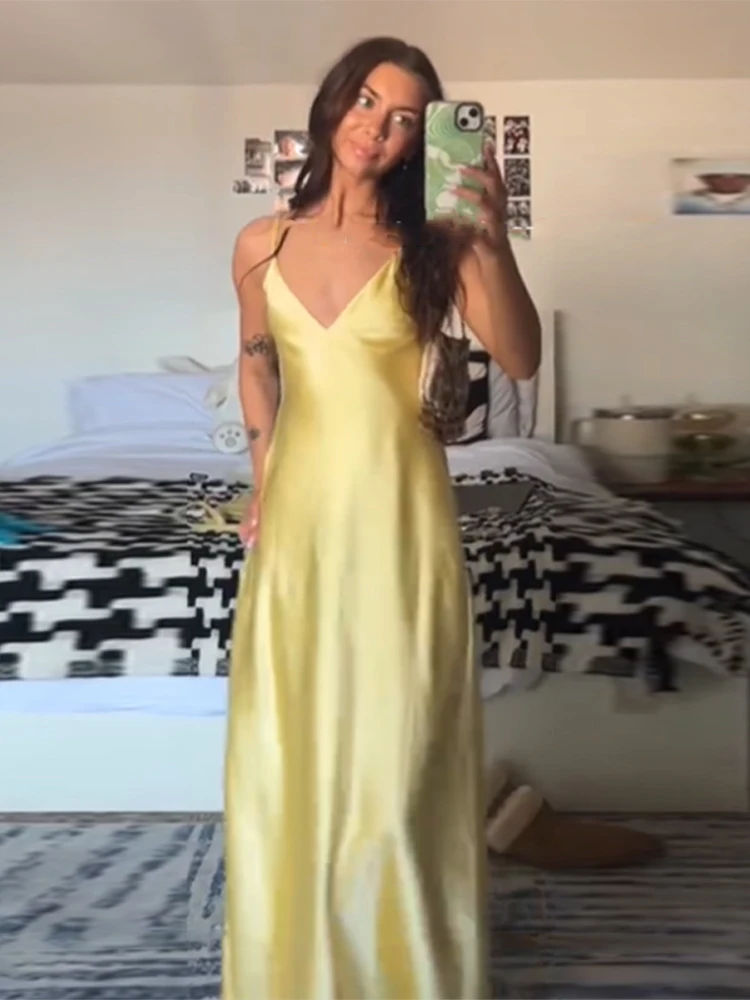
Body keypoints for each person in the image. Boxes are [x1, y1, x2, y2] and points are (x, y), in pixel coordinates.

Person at [222, 36, 540, 1000]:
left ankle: (406, 969)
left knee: (399, 760)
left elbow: (521, 359)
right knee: (296, 751)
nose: (378, 128)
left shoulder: (435, 246)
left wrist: (492, 238)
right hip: (300, 528)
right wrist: (263, 474)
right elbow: (256, 361)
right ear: (332, 104)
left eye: (404, 118)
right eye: (366, 101)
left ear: (418, 142)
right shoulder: (261, 244)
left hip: (402, 521)